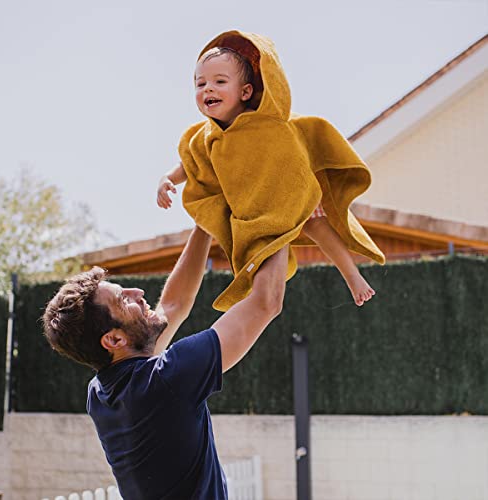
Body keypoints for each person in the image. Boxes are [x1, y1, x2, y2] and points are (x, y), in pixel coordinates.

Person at [43, 225, 288, 500]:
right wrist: (285, 215)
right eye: (124, 299)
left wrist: (204, 225)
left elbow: (174, 304)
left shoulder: (101, 393)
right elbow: (266, 301)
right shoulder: (165, 380)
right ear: (113, 340)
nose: (138, 291)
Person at [157, 32, 385, 311]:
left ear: (245, 92)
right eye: (200, 83)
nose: (208, 89)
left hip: (285, 194)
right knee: (254, 250)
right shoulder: (203, 137)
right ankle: (255, 297)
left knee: (315, 223)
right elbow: (190, 165)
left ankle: (352, 276)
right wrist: (168, 179)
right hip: (252, 212)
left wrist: (306, 184)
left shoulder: (268, 124)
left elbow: (299, 145)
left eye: (219, 82)